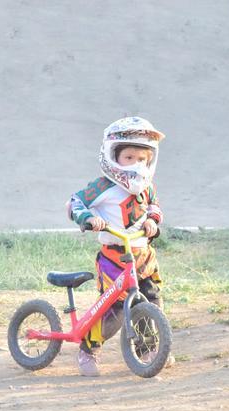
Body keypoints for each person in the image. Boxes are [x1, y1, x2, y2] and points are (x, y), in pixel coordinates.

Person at [67, 116, 171, 376]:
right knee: (113, 309)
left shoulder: (146, 187)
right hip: (115, 258)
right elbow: (74, 203)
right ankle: (89, 349)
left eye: (142, 159)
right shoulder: (103, 187)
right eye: (129, 157)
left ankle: (148, 350)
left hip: (143, 255)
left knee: (150, 301)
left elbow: (155, 206)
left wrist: (152, 220)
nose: (136, 164)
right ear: (113, 156)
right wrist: (88, 218)